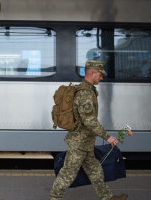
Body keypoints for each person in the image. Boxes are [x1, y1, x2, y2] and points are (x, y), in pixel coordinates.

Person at [49, 60, 128, 200]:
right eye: (100, 74)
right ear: (92, 73)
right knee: (67, 174)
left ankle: (107, 197)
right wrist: (107, 137)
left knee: (95, 170)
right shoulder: (85, 94)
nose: (101, 78)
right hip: (79, 143)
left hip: (86, 142)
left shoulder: (89, 90)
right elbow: (89, 121)